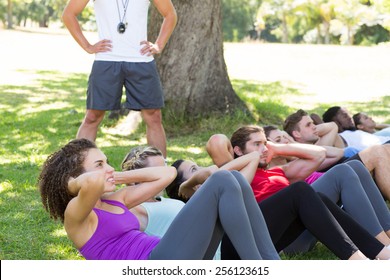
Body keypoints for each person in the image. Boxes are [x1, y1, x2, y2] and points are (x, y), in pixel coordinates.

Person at [38, 138, 281, 260]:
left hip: (169, 256)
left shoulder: (116, 199)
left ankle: (271, 264)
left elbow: (168, 173)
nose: (108, 167)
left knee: (235, 181)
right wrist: (71, 182)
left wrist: (115, 174)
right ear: (75, 178)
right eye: (100, 164)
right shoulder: (77, 216)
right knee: (222, 181)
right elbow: (90, 183)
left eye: (107, 161)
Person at [204, 125, 390, 258]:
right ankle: (379, 249)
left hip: (303, 225)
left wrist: (277, 148)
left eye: (264, 144)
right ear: (237, 150)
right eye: (256, 144)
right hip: (277, 239)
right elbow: (217, 142)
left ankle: (384, 247)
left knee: (351, 168)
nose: (262, 149)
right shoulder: (232, 174)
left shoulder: (279, 171)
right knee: (300, 190)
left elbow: (319, 154)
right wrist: (251, 158)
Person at [166, 156, 390, 260]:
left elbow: (226, 175)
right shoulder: (186, 207)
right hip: (231, 255)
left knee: (315, 196)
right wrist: (188, 184)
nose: (201, 169)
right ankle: (360, 260)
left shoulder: (221, 190)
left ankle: (379, 252)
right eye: (193, 169)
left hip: (254, 239)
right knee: (300, 192)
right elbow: (214, 172)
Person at [62, 0, 178, 157]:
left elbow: (170, 14)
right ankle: (79, 168)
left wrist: (159, 44)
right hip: (106, 60)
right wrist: (87, 46)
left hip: (141, 60)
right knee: (92, 116)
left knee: (154, 116)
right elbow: (68, 14)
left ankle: (161, 170)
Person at [284, 109, 390, 200]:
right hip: (342, 176)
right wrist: (296, 141)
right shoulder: (301, 158)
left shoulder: (319, 144)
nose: (314, 127)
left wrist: (307, 131)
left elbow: (332, 126)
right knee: (378, 152)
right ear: (296, 134)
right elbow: (333, 152)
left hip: (351, 166)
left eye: (313, 123)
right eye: (308, 125)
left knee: (385, 148)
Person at [322, 106, 390, 151]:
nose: (350, 118)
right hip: (384, 148)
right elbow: (314, 116)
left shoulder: (355, 131)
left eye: (349, 115)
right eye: (345, 116)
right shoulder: (341, 137)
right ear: (335, 123)